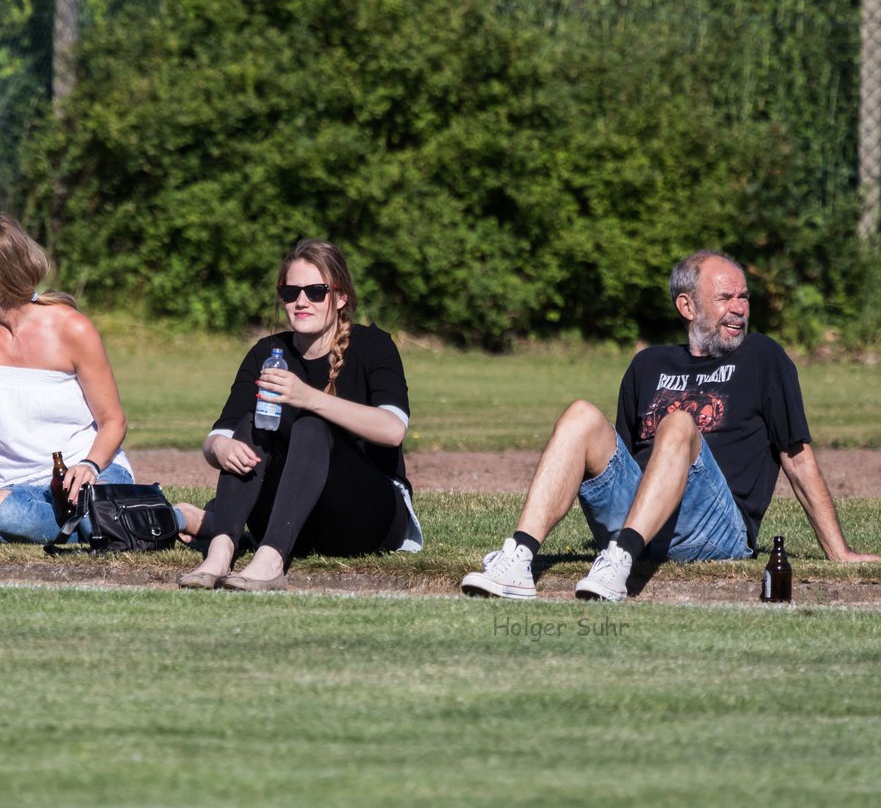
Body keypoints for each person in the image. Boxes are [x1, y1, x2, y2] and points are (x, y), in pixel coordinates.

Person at [461, 249, 880, 603]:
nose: (739, 308)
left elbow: (797, 455)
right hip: (643, 515)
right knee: (580, 414)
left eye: (744, 297)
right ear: (687, 306)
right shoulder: (648, 364)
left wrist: (838, 551)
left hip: (718, 529)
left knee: (679, 422)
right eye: (725, 298)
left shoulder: (762, 356)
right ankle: (518, 557)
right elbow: (616, 460)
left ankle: (619, 560)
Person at [175, 238, 422, 592]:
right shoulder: (266, 352)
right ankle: (219, 552)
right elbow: (219, 436)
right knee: (250, 425)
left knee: (311, 425)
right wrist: (220, 450)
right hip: (290, 516)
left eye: (316, 291)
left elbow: (393, 429)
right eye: (290, 292)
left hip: (367, 515)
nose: (301, 301)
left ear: (340, 298)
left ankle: (271, 560)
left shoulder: (372, 345)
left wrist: (308, 398)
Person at [0, 212, 134, 543]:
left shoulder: (72, 328)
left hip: (88, 472)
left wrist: (89, 466)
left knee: (91, 505)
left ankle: (159, 517)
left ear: (1, 276)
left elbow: (114, 421)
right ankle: (119, 523)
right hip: (15, 489)